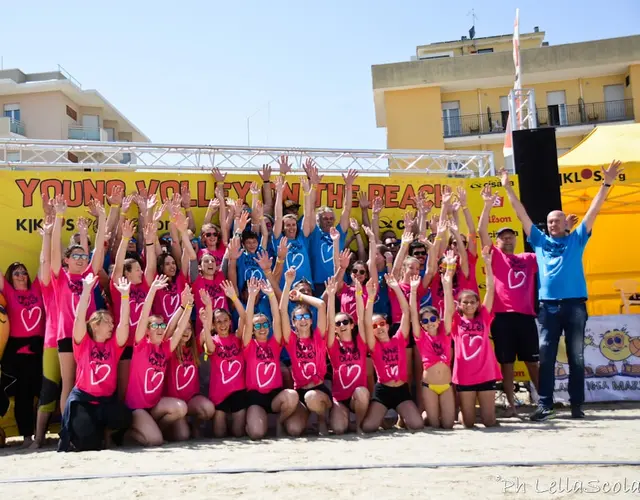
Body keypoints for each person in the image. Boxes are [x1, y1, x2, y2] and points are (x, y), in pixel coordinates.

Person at [501, 161, 623, 421]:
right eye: (549, 221)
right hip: (548, 307)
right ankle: (546, 405)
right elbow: (521, 214)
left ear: (565, 223)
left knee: (576, 356)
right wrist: (508, 188)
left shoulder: (577, 238)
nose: (553, 224)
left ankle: (577, 405)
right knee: (546, 357)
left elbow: (594, 210)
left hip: (575, 306)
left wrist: (607, 184)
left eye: (557, 220)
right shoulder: (540, 242)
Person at [478, 184, 540, 417]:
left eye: (511, 236)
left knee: (533, 362)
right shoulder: (494, 256)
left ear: (516, 239)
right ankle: (511, 405)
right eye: (503, 237)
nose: (508, 240)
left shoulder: (529, 258)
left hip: (525, 317)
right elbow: (481, 229)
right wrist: (486, 205)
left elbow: (550, 251)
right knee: (507, 363)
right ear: (497, 241)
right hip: (501, 317)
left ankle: (543, 400)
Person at [58, 274, 132, 452]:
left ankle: (106, 432)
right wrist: (86, 291)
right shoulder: (83, 343)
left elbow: (124, 325)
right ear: (95, 325)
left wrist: (125, 296)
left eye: (112, 323)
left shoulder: (114, 346)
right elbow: (78, 319)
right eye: (108, 322)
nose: (112, 326)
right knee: (88, 445)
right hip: (84, 400)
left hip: (106, 402)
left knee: (124, 417)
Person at [51, 195, 107, 412]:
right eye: (75, 256)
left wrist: (101, 217)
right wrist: (59, 216)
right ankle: (67, 430)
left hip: (90, 336)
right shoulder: (61, 277)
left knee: (86, 383)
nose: (81, 259)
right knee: (68, 383)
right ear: (67, 260)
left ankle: (85, 426)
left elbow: (99, 251)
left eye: (83, 255)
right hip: (66, 335)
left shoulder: (89, 276)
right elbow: (55, 250)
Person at [124, 277, 192, 446]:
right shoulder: (141, 344)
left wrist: (188, 305)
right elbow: (143, 316)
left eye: (163, 326)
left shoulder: (166, 348)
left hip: (155, 405)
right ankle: (128, 434)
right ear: (148, 331)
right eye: (156, 326)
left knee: (181, 408)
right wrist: (153, 290)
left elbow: (179, 329)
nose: (161, 329)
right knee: (154, 441)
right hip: (137, 408)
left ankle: (156, 428)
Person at [443, 247, 501, 428]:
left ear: (477, 304)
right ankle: (465, 413)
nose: (469, 305)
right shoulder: (454, 320)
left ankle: (486, 413)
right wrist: (449, 271)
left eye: (472, 302)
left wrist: (488, 263)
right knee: (468, 423)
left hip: (486, 373)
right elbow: (447, 296)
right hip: (464, 375)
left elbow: (491, 288)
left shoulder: (484, 316)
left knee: (489, 422)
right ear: (459, 304)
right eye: (465, 302)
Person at [361, 276, 424, 432]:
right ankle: (383, 418)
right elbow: (366, 322)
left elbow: (406, 312)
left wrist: (397, 288)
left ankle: (402, 418)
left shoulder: (399, 338)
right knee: (369, 427)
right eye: (375, 326)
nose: (379, 327)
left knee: (417, 425)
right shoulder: (374, 345)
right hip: (383, 391)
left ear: (388, 325)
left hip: (401, 389)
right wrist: (370, 298)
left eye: (382, 323)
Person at [243, 277, 300, 439]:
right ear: (253, 330)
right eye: (258, 326)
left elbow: (277, 318)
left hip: (275, 395)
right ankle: (251, 422)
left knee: (292, 395)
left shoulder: (274, 343)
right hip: (255, 396)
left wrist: (271, 296)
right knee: (256, 434)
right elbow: (247, 322)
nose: (262, 328)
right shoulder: (249, 345)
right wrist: (252, 296)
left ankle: (280, 422)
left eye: (264, 325)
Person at [0, 256, 46, 446]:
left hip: (40, 350)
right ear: (10, 277)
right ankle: (27, 436)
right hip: (18, 354)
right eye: (16, 273)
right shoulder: (8, 292)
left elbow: (44, 262)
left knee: (45, 393)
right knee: (23, 396)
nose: (21, 275)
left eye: (24, 272)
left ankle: (41, 434)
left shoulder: (37, 288)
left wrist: (48, 235)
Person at [280, 269, 331, 435]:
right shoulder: (291, 340)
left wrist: (300, 296)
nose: (303, 320)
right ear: (293, 322)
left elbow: (321, 305)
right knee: (294, 430)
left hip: (319, 390)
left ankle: (323, 418)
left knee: (312, 398)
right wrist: (287, 284)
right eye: (299, 318)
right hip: (301, 391)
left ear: (311, 320)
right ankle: (307, 417)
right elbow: (281, 311)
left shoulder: (318, 336)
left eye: (306, 317)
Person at [163, 290, 215, 439]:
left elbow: (207, 329)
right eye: (182, 329)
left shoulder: (194, 348)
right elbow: (170, 329)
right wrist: (184, 306)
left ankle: (195, 425)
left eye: (189, 329)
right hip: (174, 403)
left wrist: (209, 306)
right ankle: (164, 428)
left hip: (191, 400)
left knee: (208, 409)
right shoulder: (169, 347)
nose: (185, 332)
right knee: (183, 436)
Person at [202, 281, 248, 438]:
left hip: (238, 391)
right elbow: (209, 346)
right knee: (219, 434)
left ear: (230, 322)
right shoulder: (213, 340)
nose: (222, 324)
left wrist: (234, 298)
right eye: (218, 321)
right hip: (219, 393)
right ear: (214, 325)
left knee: (238, 433)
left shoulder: (237, 338)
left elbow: (246, 318)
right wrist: (206, 321)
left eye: (225, 320)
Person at [325, 277, 370, 434]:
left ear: (352, 325)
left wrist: (359, 294)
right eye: (338, 324)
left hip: (357, 395)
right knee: (338, 429)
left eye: (345, 322)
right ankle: (345, 421)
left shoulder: (360, 341)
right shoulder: (333, 345)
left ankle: (358, 425)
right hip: (340, 397)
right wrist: (331, 297)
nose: (341, 325)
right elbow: (329, 322)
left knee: (362, 393)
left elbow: (362, 318)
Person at [409, 276, 454, 429]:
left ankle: (426, 414)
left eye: (433, 319)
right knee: (434, 424)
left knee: (448, 425)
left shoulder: (446, 334)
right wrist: (413, 291)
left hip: (447, 385)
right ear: (422, 325)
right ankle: (425, 415)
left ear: (438, 320)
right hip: (429, 386)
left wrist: (447, 287)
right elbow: (413, 315)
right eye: (426, 321)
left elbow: (449, 312)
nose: (430, 323)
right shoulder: (421, 337)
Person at [307, 169, 357, 297]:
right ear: (318, 220)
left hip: (340, 281)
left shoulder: (339, 232)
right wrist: (314, 185)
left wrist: (349, 186)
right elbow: (310, 209)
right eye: (325, 218)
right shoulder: (314, 233)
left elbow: (346, 210)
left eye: (331, 219)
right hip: (319, 283)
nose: (329, 221)